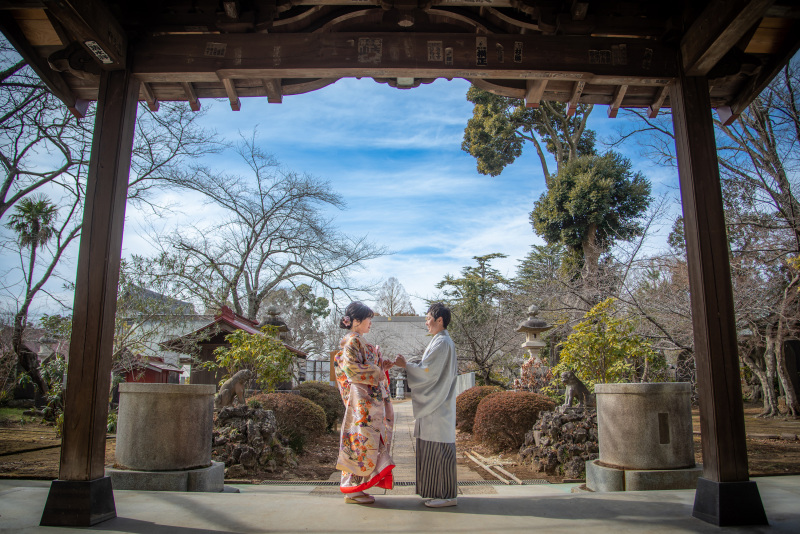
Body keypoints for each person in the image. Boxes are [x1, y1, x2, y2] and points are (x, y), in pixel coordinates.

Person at [333, 301, 397, 504]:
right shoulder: (352, 341)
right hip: (362, 404)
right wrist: (378, 371)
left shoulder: (357, 340)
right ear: (356, 321)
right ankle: (352, 489)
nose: (371, 322)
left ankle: (356, 487)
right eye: (368, 318)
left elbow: (366, 367)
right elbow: (352, 370)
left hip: (366, 403)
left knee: (365, 443)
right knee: (359, 442)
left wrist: (381, 366)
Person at [395, 302, 458, 508]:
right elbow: (428, 370)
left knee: (439, 450)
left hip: (437, 405)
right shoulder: (441, 341)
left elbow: (427, 372)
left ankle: (446, 495)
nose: (426, 322)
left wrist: (406, 365)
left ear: (440, 320)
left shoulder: (442, 343)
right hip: (437, 405)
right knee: (436, 449)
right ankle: (439, 493)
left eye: (428, 318)